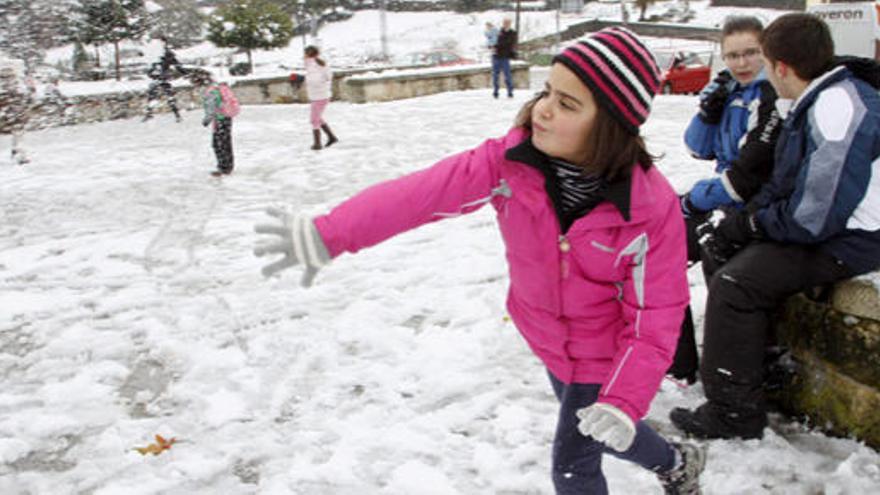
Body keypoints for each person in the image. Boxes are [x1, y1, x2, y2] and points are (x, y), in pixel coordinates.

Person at [255, 28, 705, 494]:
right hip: (549, 340)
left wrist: (624, 395)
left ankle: (667, 456)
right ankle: (676, 460)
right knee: (607, 432)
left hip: (604, 355)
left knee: (575, 465)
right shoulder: (509, 164)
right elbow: (419, 195)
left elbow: (656, 315)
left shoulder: (649, 211)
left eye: (568, 104)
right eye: (547, 91)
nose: (543, 109)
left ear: (611, 127)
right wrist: (329, 234)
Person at [670, 13, 880, 441]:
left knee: (737, 283)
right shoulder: (814, 99)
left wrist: (752, 225)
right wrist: (740, 225)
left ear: (781, 67)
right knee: (720, 250)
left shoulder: (839, 106)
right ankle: (760, 371)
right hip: (831, 227)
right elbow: (784, 183)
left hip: (857, 237)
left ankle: (734, 413)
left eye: (762, 60)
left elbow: (813, 215)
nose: (760, 71)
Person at [668, 16, 783, 384]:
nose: (742, 63)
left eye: (751, 53)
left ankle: (742, 366)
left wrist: (692, 201)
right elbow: (696, 148)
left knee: (711, 249)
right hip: (725, 198)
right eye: (732, 55)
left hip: (754, 204)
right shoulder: (731, 92)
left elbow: (745, 178)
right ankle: (677, 359)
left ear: (766, 52)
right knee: (661, 251)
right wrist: (708, 111)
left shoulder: (772, 95)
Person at [197, 74, 236, 177]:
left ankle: (224, 167)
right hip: (226, 118)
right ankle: (227, 166)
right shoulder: (218, 88)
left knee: (218, 144)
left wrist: (207, 120)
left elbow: (211, 107)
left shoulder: (211, 91)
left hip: (220, 119)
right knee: (225, 143)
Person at [303, 45, 338, 151]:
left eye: (305, 53)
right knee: (318, 118)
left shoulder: (321, 64)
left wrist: (318, 82)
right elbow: (310, 78)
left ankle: (317, 143)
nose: (304, 55)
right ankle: (332, 137)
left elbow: (328, 77)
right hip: (315, 95)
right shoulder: (309, 64)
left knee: (314, 119)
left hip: (321, 95)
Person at [143, 37, 186, 122]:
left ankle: (176, 115)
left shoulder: (165, 53)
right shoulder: (157, 53)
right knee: (160, 96)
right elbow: (150, 66)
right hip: (159, 78)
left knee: (164, 96)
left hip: (161, 78)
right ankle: (176, 115)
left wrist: (183, 71)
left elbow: (176, 64)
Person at [0, 58, 32, 165]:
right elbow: (25, 97)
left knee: (18, 134)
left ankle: (17, 152)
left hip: (11, 114)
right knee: (18, 134)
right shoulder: (17, 85)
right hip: (14, 114)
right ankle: (19, 154)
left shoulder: (8, 87)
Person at [492, 18, 517, 99]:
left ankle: (510, 92)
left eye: (507, 23)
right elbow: (494, 42)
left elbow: (509, 43)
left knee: (507, 75)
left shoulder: (512, 33)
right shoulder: (498, 32)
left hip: (505, 57)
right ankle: (495, 91)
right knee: (495, 75)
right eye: (504, 23)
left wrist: (498, 45)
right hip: (496, 56)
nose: (506, 24)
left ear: (510, 24)